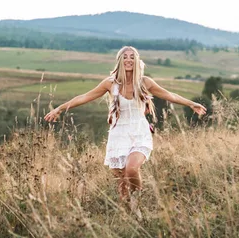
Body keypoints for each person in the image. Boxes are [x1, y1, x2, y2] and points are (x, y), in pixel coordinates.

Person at [44, 46, 206, 202]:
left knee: (131, 169)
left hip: (139, 133)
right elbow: (84, 97)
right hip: (118, 135)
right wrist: (60, 108)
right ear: (119, 61)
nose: (129, 60)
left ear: (137, 61)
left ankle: (138, 199)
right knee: (122, 183)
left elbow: (170, 95)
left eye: (132, 57)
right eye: (125, 57)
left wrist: (191, 104)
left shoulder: (145, 82)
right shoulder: (110, 84)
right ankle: (130, 212)